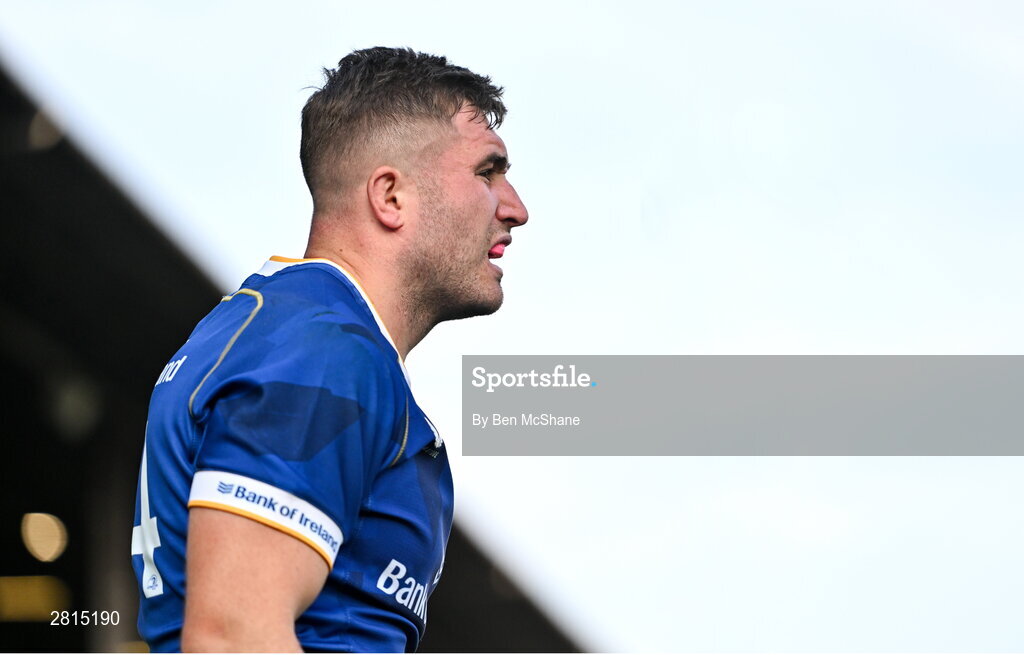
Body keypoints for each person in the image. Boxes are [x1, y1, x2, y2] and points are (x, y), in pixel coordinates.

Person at [130, 46, 529, 652]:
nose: (516, 209)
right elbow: (234, 637)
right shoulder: (323, 351)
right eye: (486, 172)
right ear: (390, 196)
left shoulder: (284, 328)